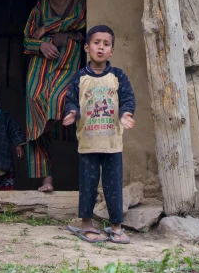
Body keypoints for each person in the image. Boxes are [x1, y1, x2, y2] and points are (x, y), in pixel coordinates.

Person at [63, 24, 135, 244]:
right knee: (88, 185)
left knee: (113, 186)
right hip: (88, 143)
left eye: (106, 44)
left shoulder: (118, 76)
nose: (101, 48)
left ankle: (116, 226)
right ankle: (86, 224)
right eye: (96, 43)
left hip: (113, 144)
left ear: (112, 51)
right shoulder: (79, 77)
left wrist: (126, 114)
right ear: (87, 47)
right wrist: (72, 113)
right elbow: (71, 100)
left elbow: (128, 99)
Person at [24, 0, 86, 192]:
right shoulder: (40, 6)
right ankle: (47, 181)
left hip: (67, 62)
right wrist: (40, 45)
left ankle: (87, 179)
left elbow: (77, 21)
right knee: (35, 108)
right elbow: (27, 39)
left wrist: (47, 28)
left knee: (60, 100)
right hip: (40, 66)